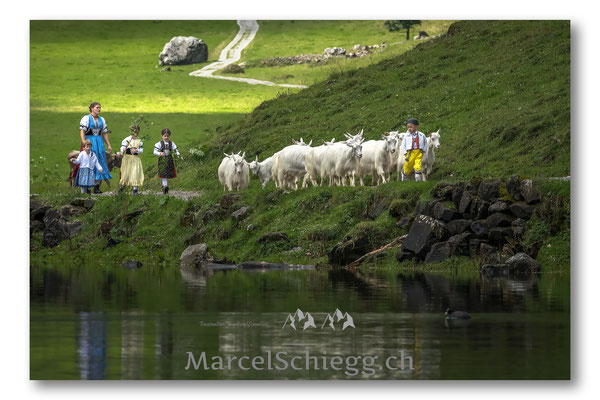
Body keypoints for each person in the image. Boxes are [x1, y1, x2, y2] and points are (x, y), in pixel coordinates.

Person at [75, 102, 113, 193]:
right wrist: (84, 142)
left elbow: (104, 133)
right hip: (90, 142)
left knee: (100, 162)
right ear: (92, 108)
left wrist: (108, 144)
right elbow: (82, 131)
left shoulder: (102, 119)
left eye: (100, 107)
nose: (99, 109)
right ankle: (87, 187)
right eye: (97, 107)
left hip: (99, 142)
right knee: (89, 163)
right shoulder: (86, 118)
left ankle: (96, 186)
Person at [118, 124, 144, 195]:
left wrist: (137, 150)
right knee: (126, 173)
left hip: (135, 159)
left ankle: (135, 188)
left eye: (136, 132)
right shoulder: (127, 140)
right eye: (133, 131)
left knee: (135, 172)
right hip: (127, 159)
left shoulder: (139, 141)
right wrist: (123, 149)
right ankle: (122, 186)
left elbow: (142, 149)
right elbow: (122, 147)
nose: (135, 133)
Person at [153, 128, 180, 194]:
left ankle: (164, 186)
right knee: (164, 174)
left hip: (169, 160)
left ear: (169, 136)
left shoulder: (171, 143)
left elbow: (176, 150)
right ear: (162, 136)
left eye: (167, 136)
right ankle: (165, 186)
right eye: (165, 136)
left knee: (167, 173)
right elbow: (154, 151)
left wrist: (178, 155)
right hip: (162, 160)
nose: (166, 137)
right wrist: (160, 153)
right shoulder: (159, 143)